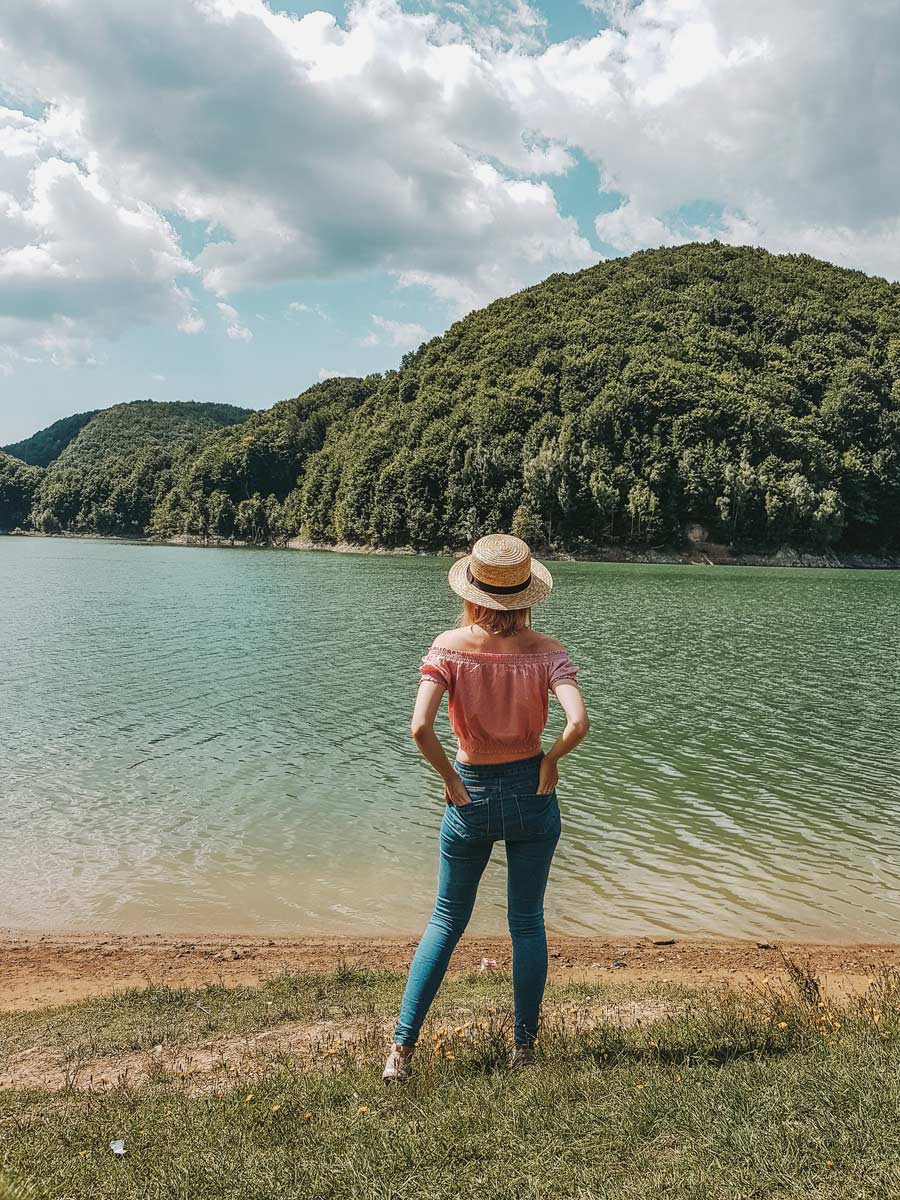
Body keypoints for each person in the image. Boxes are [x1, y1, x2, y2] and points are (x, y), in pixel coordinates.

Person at [383, 533, 590, 1083]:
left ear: (473, 592)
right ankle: (523, 1048)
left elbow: (419, 728)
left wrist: (450, 779)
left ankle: (401, 1051)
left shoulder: (449, 647)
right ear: (526, 595)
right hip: (533, 792)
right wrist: (550, 762)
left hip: (470, 791)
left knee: (447, 919)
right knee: (526, 922)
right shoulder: (548, 652)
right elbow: (578, 724)